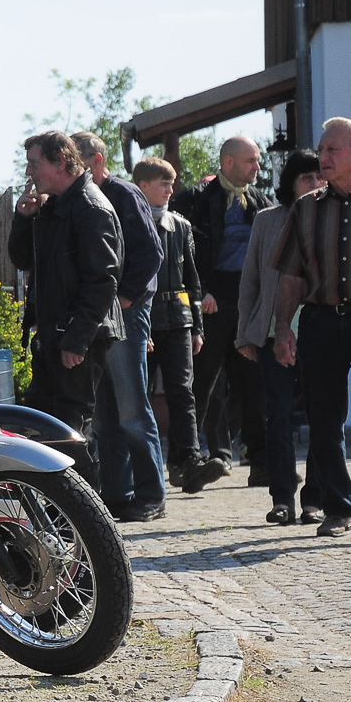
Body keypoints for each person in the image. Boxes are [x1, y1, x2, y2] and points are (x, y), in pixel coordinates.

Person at [8, 132, 123, 491]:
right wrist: (24, 219)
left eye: (34, 164)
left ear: (60, 162)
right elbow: (22, 259)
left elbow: (103, 281)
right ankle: (59, 510)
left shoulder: (90, 207)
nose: (28, 172)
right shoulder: (55, 206)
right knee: (42, 425)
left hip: (77, 338)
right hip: (53, 335)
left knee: (71, 431)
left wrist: (76, 339)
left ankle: (89, 512)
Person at [272, 117, 351, 537]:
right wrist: (282, 329)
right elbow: (291, 275)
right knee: (324, 423)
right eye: (321, 149)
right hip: (320, 323)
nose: (322, 157)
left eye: (332, 150)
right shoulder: (305, 208)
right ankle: (338, 508)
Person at [74, 132, 166, 522]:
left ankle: (151, 494)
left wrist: (126, 297)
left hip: (126, 314)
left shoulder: (124, 194)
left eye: (76, 163)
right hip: (101, 315)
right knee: (105, 415)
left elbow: (151, 253)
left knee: (130, 409)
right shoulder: (83, 198)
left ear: (96, 161)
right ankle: (117, 494)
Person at [237, 149, 326, 524]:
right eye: (307, 178)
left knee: (324, 418)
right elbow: (251, 280)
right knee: (277, 417)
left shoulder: (334, 215)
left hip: (323, 334)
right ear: (291, 183)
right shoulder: (267, 220)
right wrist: (246, 333)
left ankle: (315, 499)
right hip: (273, 334)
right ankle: (282, 499)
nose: (316, 184)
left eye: (320, 176)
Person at [179, 135, 271, 481]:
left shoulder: (260, 202)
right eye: (251, 160)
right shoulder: (196, 200)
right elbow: (180, 253)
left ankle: (259, 462)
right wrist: (201, 291)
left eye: (257, 160)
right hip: (211, 303)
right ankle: (190, 460)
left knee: (253, 384)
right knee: (203, 383)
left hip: (249, 302)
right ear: (228, 162)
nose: (257, 167)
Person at [132, 158, 225, 495]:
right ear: (143, 186)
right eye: (164, 184)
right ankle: (142, 467)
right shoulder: (128, 223)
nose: (171, 190)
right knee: (139, 394)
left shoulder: (181, 226)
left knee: (183, 392)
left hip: (177, 320)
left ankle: (188, 461)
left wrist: (197, 327)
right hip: (142, 319)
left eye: (172, 183)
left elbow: (192, 280)